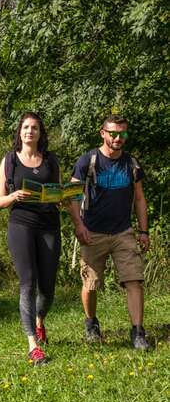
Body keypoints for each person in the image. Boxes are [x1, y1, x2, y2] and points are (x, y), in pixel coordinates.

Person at [70, 115, 150, 349]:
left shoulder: (131, 163)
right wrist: (79, 225)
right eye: (113, 133)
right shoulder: (88, 161)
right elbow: (73, 194)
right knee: (91, 284)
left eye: (122, 134)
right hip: (92, 232)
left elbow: (139, 199)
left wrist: (143, 231)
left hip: (123, 232)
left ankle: (137, 332)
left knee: (134, 279)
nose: (118, 138)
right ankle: (91, 323)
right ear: (102, 133)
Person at [0, 112, 61, 365]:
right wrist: (15, 196)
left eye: (34, 128)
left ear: (40, 133)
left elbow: (58, 191)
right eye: (26, 127)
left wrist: (66, 197)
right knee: (28, 283)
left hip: (49, 226)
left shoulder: (51, 161)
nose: (30, 131)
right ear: (19, 132)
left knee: (47, 288)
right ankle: (33, 345)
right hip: (21, 224)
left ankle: (39, 321)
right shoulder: (10, 160)